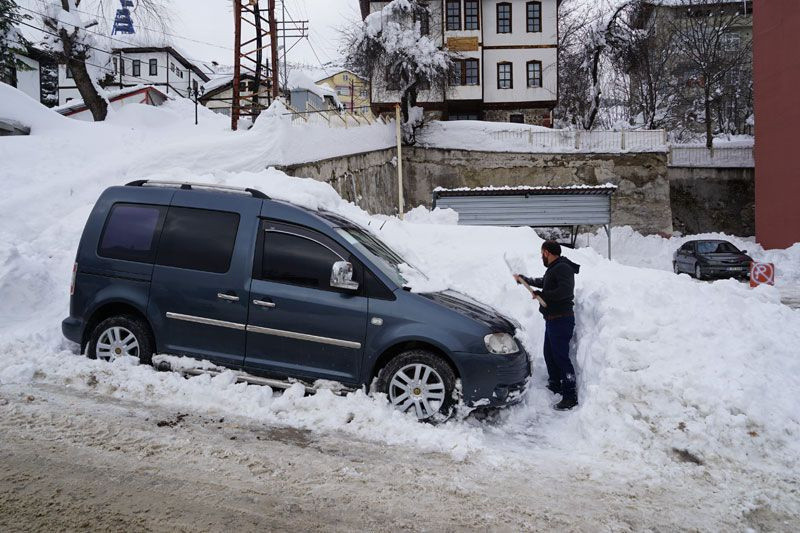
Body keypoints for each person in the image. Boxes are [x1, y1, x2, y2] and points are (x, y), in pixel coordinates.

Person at [514, 240, 581, 411]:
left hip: (561, 318)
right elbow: (545, 282)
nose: (541, 257)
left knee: (561, 357)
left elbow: (564, 291)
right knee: (549, 354)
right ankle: (555, 384)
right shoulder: (555, 268)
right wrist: (525, 280)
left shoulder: (563, 268)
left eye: (541, 253)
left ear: (546, 252)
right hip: (553, 318)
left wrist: (543, 295)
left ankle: (570, 396)